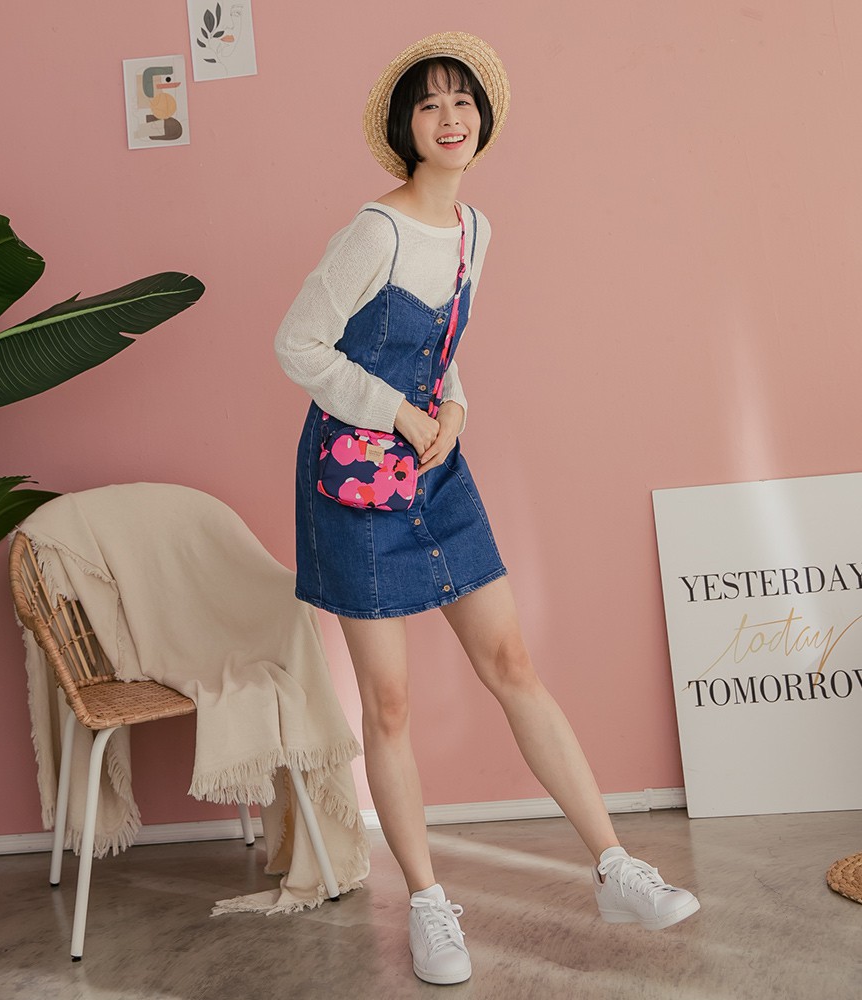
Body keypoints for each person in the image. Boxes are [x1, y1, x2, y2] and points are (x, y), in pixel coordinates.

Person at [274, 31, 699, 987]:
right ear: (405, 128)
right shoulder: (375, 233)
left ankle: (615, 866)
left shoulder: (476, 230)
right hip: (354, 479)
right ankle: (429, 906)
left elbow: (442, 350)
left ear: (483, 119)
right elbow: (298, 344)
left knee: (512, 665)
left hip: (435, 465)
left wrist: (455, 410)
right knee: (389, 704)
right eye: (428, 104)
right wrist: (398, 413)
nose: (449, 118)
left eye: (462, 101)